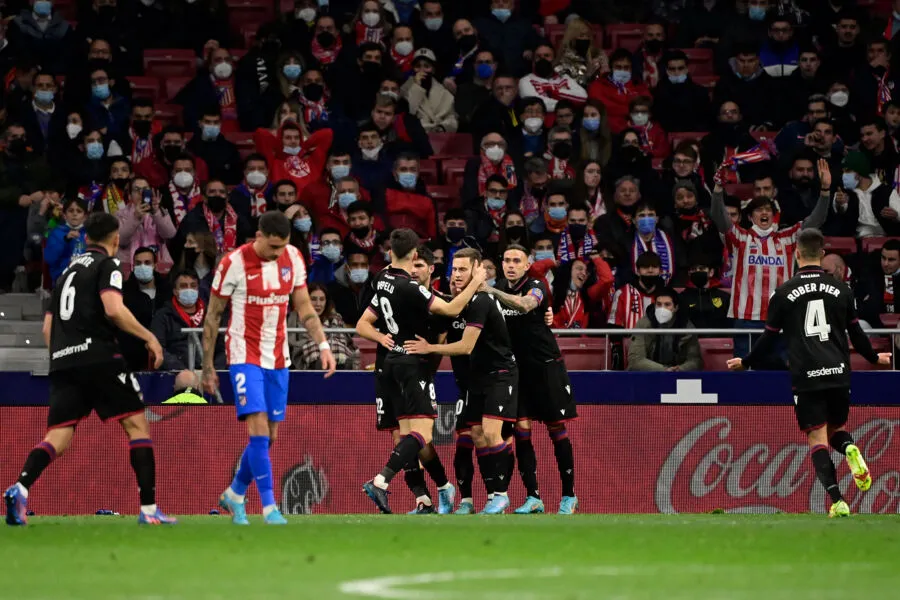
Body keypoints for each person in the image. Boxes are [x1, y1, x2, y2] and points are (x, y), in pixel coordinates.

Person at [5, 212, 173, 526]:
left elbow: (47, 328)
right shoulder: (107, 264)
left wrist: (65, 355)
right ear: (114, 239)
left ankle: (21, 487)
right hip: (99, 358)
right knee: (137, 426)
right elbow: (113, 308)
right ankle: (149, 511)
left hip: (64, 360)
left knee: (58, 436)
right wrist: (149, 337)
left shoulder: (66, 271)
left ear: (86, 237)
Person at [727, 228, 891, 518]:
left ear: (797, 254)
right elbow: (856, 332)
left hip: (807, 374)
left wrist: (746, 361)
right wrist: (873, 356)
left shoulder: (784, 293)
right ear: (823, 254)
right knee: (836, 431)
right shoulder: (841, 289)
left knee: (817, 439)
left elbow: (768, 338)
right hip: (839, 372)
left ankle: (838, 501)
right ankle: (851, 448)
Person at [203, 211, 337, 526]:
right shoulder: (232, 263)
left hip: (278, 357)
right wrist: (207, 366)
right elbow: (212, 316)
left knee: (270, 436)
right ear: (258, 236)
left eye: (282, 247)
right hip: (243, 354)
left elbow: (303, 306)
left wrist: (324, 345)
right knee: (259, 430)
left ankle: (235, 493)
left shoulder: (292, 257)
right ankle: (269, 508)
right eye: (272, 247)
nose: (277, 253)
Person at [356, 230, 484, 514]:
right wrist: (477, 280)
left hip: (393, 363)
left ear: (390, 254)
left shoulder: (383, 280)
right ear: (414, 255)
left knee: (406, 435)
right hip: (409, 364)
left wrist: (383, 340)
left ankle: (431, 495)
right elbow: (451, 309)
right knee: (422, 433)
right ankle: (382, 481)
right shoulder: (411, 288)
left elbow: (365, 321)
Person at [402, 247, 517, 514]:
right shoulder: (459, 304)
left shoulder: (481, 301)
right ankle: (475, 500)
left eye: (463, 269)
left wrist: (429, 348)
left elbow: (465, 347)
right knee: (474, 436)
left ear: (478, 270)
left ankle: (500, 494)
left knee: (490, 432)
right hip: (473, 380)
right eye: (454, 269)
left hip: (500, 375)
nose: (456, 275)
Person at [473, 244, 577, 514]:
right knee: (522, 432)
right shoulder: (498, 289)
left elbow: (526, 304)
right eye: (506, 260)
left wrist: (490, 290)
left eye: (516, 260)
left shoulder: (536, 285)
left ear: (527, 263)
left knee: (556, 430)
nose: (510, 265)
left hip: (545, 366)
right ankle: (533, 496)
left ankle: (569, 495)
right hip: (517, 371)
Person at [710, 159, 832, 364]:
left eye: (768, 210)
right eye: (759, 210)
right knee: (743, 372)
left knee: (782, 372)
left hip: (780, 316)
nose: (764, 213)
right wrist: (718, 188)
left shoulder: (788, 237)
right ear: (750, 216)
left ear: (775, 216)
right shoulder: (740, 237)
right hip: (746, 317)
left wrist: (825, 191)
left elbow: (815, 221)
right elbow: (719, 217)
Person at [151, 269, 225, 371]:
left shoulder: (211, 315)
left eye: (193, 285)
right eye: (183, 286)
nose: (189, 289)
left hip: (211, 372)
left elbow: (223, 347)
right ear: (175, 291)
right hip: (177, 374)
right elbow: (158, 348)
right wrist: (182, 370)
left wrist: (214, 370)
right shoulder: (163, 316)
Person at [628, 288, 703, 372]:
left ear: (676, 308)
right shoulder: (643, 324)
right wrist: (664, 370)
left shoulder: (687, 326)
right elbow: (635, 360)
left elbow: (695, 361)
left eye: (667, 304)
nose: (662, 308)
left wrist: (680, 369)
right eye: (659, 304)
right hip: (648, 374)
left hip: (678, 375)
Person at [120, 247, 170, 371]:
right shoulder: (124, 292)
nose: (143, 266)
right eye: (138, 263)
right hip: (133, 358)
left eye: (147, 263)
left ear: (155, 265)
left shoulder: (167, 289)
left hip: (166, 353)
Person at [287, 283, 359, 371]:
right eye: (313, 299)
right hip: (310, 356)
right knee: (320, 355)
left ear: (326, 301)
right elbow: (294, 345)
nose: (318, 304)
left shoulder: (335, 317)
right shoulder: (296, 318)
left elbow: (346, 342)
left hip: (339, 354)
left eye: (322, 299)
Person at [518, 42, 587, 112]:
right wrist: (569, 103)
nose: (543, 59)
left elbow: (583, 98)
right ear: (533, 60)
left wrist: (554, 92)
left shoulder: (565, 78)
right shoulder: (525, 80)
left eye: (547, 55)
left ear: (555, 59)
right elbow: (537, 105)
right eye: (538, 56)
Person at [45, 199, 88, 283]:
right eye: (71, 211)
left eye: (79, 211)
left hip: (86, 277)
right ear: (64, 215)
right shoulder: (56, 233)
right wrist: (66, 240)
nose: (74, 214)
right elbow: (50, 259)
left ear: (85, 217)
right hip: (62, 276)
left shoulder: (90, 234)